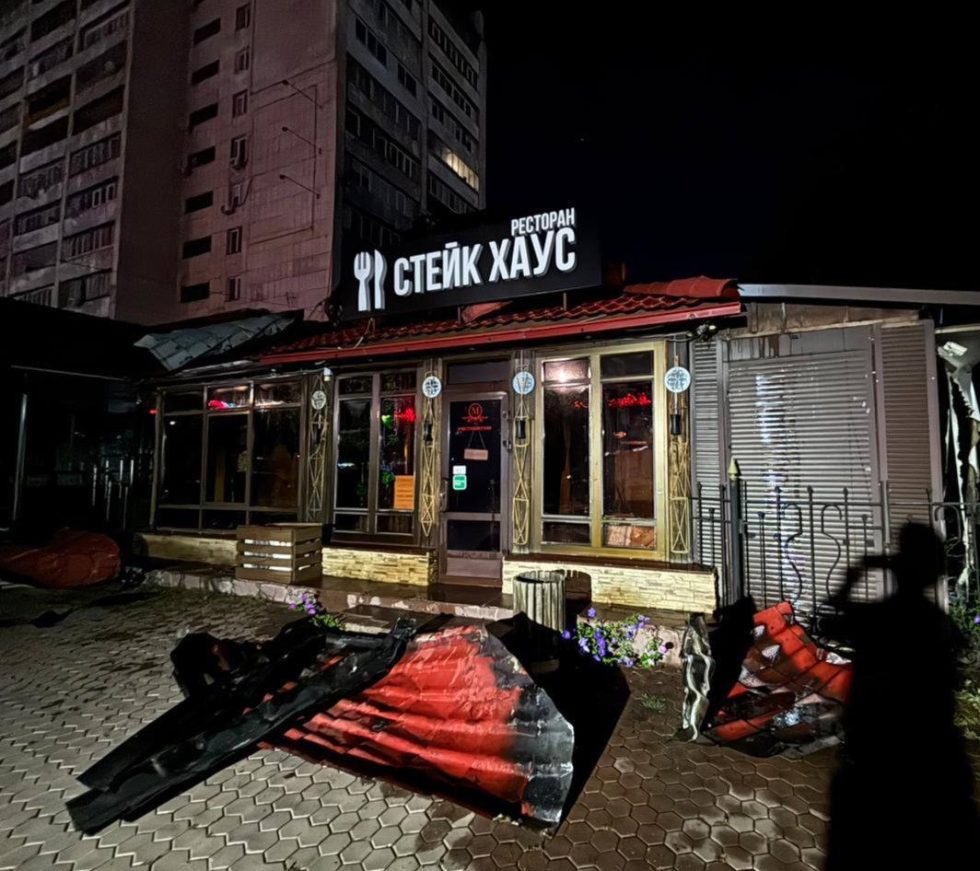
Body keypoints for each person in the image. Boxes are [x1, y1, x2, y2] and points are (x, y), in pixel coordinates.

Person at [824, 522, 979, 869]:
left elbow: (829, 618)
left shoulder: (878, 619)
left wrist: (854, 575)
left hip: (877, 771)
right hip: (936, 771)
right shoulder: (940, 625)